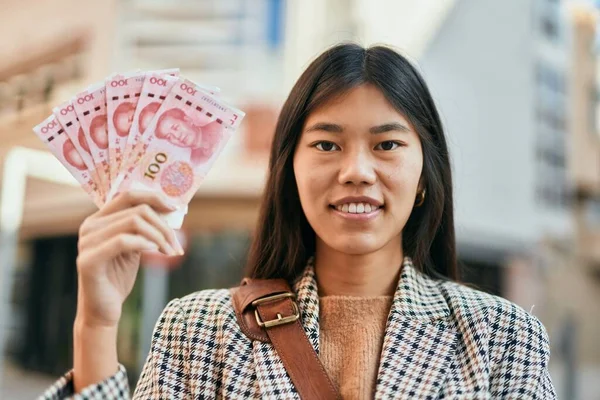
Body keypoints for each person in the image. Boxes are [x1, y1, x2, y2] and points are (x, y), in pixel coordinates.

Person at [41, 44, 556, 399]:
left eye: (388, 145)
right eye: (327, 144)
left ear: (425, 174)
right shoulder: (198, 332)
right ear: (290, 169)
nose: (356, 171)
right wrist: (97, 324)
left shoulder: (502, 339)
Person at [154, 107, 222, 165]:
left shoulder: (220, 127)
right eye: (169, 137)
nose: (177, 136)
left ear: (188, 120)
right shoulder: (193, 162)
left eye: (175, 127)